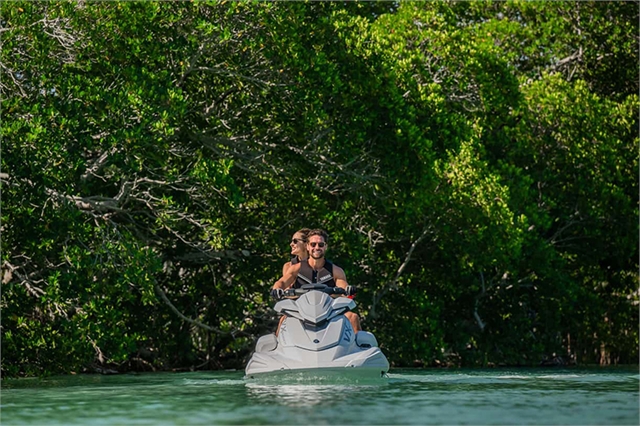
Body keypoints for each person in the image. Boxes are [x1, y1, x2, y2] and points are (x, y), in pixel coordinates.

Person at [271, 228, 361, 334]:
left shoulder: (335, 270)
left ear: (325, 246)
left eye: (320, 245)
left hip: (329, 314)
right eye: (313, 244)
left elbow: (343, 286)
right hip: (300, 313)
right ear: (307, 246)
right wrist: (277, 289)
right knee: (284, 320)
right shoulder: (296, 268)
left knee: (353, 317)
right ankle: (278, 349)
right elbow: (282, 282)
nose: (317, 248)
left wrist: (347, 289)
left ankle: (360, 348)